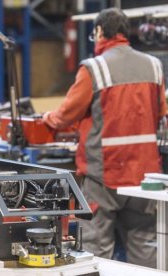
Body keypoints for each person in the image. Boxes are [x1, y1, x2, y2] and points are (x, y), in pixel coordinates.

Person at [42, 8, 166, 268]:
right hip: (145, 176)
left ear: (99, 32)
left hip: (103, 175)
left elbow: (66, 115)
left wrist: (47, 119)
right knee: (145, 248)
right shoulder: (155, 66)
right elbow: (161, 112)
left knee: (97, 250)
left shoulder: (94, 69)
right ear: (125, 32)